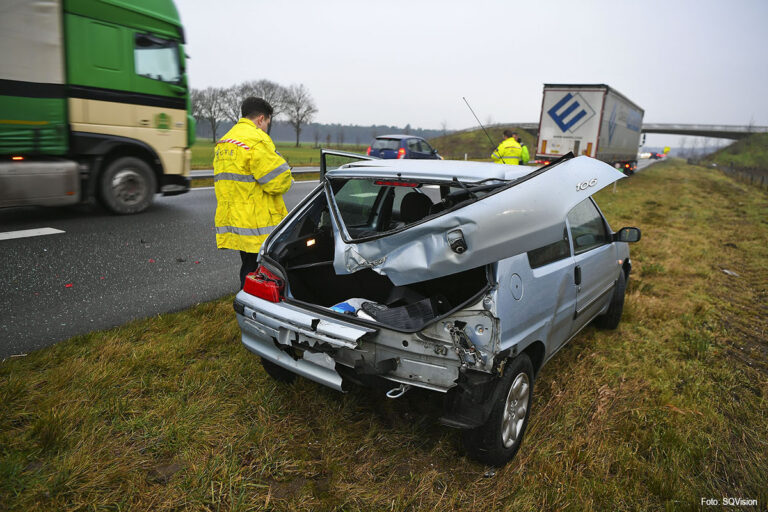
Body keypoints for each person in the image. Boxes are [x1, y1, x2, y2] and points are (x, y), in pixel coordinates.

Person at [213, 97, 293, 288]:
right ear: (261, 119)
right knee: (261, 275)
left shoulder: (224, 142)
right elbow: (279, 182)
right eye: (267, 123)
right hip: (258, 224)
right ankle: (250, 309)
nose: (266, 127)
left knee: (247, 268)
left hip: (236, 221)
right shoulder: (257, 141)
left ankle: (245, 303)